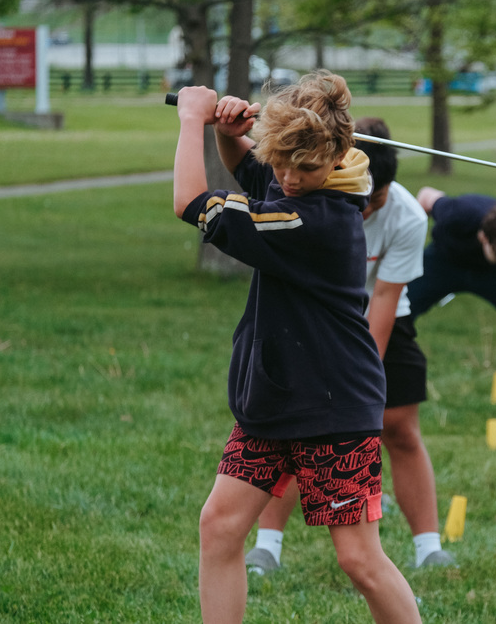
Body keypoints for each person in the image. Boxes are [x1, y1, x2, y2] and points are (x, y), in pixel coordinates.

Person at [172, 72, 422, 624]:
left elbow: (191, 201)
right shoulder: (301, 187)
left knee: (359, 558)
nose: (287, 177)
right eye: (282, 160)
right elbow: (255, 170)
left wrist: (193, 118)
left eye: (303, 167)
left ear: (336, 156)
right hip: (274, 401)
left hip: (332, 409)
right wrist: (229, 132)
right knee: (220, 527)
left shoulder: (314, 219)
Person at [246, 117, 456, 573]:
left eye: (373, 201)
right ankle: (267, 545)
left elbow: (383, 301)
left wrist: (350, 392)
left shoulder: (407, 217)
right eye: (359, 198)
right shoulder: (309, 196)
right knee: (294, 430)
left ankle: (429, 547)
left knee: (399, 426)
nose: (363, 210)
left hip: (376, 325)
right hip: (308, 319)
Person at [407, 188, 496, 416]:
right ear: (483, 237)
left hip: (489, 275)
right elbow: (425, 196)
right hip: (444, 262)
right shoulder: (458, 214)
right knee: (397, 311)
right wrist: (406, 248)